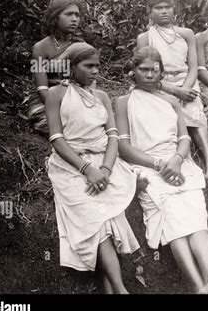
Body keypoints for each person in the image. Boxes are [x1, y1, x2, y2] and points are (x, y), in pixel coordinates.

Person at [115, 46, 208, 294]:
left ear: (161, 72)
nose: (150, 75)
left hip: (178, 163)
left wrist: (176, 159)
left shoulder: (171, 100)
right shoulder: (123, 102)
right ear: (133, 72)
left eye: (155, 70)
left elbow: (184, 138)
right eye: (143, 70)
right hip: (147, 166)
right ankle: (198, 286)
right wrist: (158, 164)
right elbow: (123, 146)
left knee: (195, 217)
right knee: (173, 219)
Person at [45, 42, 139, 294]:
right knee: (94, 216)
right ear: (72, 67)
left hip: (105, 162)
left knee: (107, 216)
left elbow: (112, 136)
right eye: (88, 66)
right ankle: (120, 289)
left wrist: (106, 170)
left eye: (97, 65)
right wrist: (88, 169)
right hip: (71, 164)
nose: (95, 71)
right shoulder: (56, 94)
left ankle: (113, 291)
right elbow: (56, 139)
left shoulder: (102, 97)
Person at [136, 0, 208, 184]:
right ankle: (179, 160)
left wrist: (186, 89)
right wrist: (173, 90)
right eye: (158, 8)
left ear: (174, 10)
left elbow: (193, 67)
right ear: (149, 12)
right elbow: (144, 72)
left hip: (187, 82)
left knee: (196, 113)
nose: (164, 11)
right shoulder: (145, 38)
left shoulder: (186, 33)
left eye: (168, 7)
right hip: (158, 84)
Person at [27, 0, 84, 135]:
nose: (74, 19)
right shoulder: (40, 48)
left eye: (77, 15)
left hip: (74, 99)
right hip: (46, 100)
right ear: (56, 17)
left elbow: (88, 85)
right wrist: (62, 108)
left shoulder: (81, 46)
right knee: (53, 126)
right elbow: (42, 89)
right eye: (69, 14)